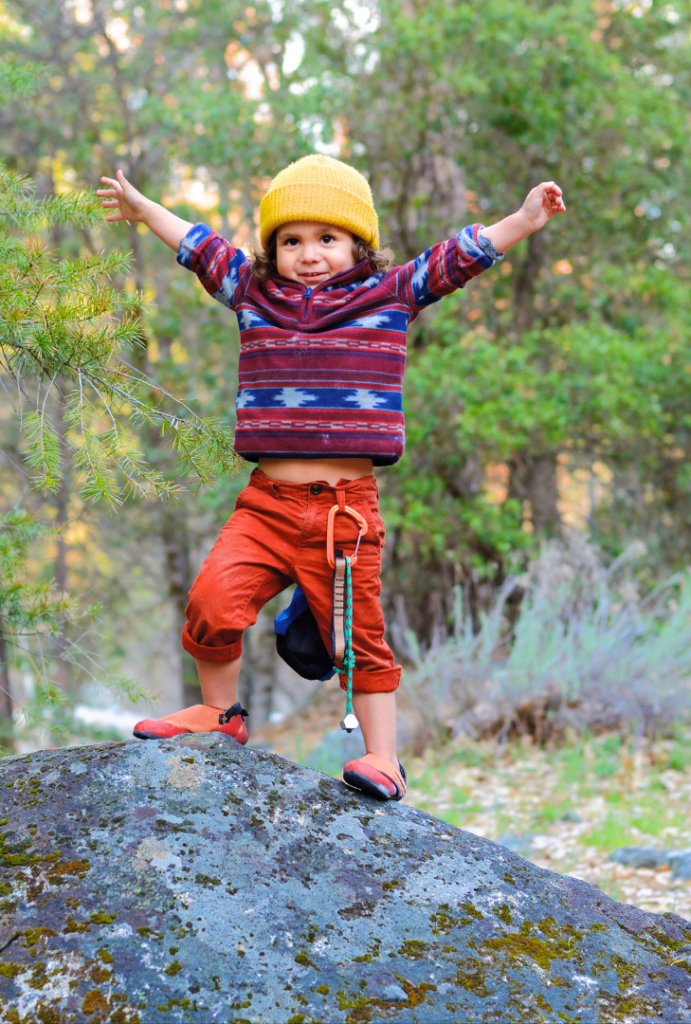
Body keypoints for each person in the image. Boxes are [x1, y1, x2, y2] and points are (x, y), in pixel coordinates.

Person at [97, 155, 565, 801]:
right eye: (290, 240)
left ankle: (383, 758)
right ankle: (220, 713)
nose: (308, 254)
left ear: (356, 245)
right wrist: (145, 208)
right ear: (272, 250)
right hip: (264, 504)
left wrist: (521, 219)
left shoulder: (389, 294)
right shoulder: (251, 293)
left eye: (326, 238)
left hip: (343, 511)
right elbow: (200, 247)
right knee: (212, 601)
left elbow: (456, 258)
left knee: (358, 637)